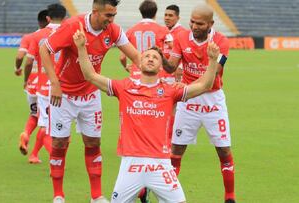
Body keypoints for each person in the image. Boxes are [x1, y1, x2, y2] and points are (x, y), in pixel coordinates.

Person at [73, 21, 221, 203]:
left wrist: (213, 60)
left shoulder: (170, 91)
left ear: (161, 67)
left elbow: (204, 85)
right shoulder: (124, 87)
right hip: (131, 164)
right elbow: (90, 75)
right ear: (139, 63)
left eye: (155, 57)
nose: (150, 58)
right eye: (147, 56)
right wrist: (81, 48)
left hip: (160, 164)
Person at [39, 0, 140, 202]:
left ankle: (96, 196)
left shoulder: (112, 30)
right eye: (108, 16)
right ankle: (58, 195)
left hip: (91, 94)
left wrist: (151, 74)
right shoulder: (72, 27)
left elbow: (136, 56)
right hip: (64, 95)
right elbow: (44, 49)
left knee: (93, 142)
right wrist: (54, 83)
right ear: (95, 12)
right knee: (59, 143)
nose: (111, 20)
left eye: (114, 15)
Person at [165, 5, 236, 203]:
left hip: (212, 100)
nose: (195, 26)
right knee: (176, 150)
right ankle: (168, 195)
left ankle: (230, 197)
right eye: (192, 22)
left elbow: (211, 76)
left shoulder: (221, 41)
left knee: (223, 149)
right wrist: (160, 55)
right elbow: (171, 66)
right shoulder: (181, 38)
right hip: (188, 101)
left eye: (200, 23)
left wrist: (184, 88)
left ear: (210, 24)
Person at [24, 4, 67, 163]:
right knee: (61, 128)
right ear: (65, 18)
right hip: (64, 86)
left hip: (44, 87)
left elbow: (28, 62)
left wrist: (26, 80)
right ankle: (52, 158)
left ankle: (53, 159)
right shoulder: (68, 33)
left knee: (44, 125)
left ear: (48, 18)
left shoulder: (37, 35)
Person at [16, 9, 49, 156]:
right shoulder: (50, 36)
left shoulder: (29, 37)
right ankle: (37, 154)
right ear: (49, 20)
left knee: (35, 113)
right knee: (46, 121)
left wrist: (17, 68)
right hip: (46, 83)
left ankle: (26, 134)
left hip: (31, 83)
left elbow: (20, 56)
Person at [119, 0, 169, 80]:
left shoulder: (130, 31)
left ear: (141, 12)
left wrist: (125, 66)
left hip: (137, 73)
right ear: (155, 13)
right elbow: (170, 52)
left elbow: (122, 57)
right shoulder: (163, 30)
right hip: (156, 74)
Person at [163, 4, 187, 82]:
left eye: (170, 16)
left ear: (178, 18)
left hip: (175, 76)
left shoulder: (182, 32)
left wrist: (180, 67)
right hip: (162, 75)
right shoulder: (162, 31)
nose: (167, 18)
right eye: (165, 15)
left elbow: (187, 53)